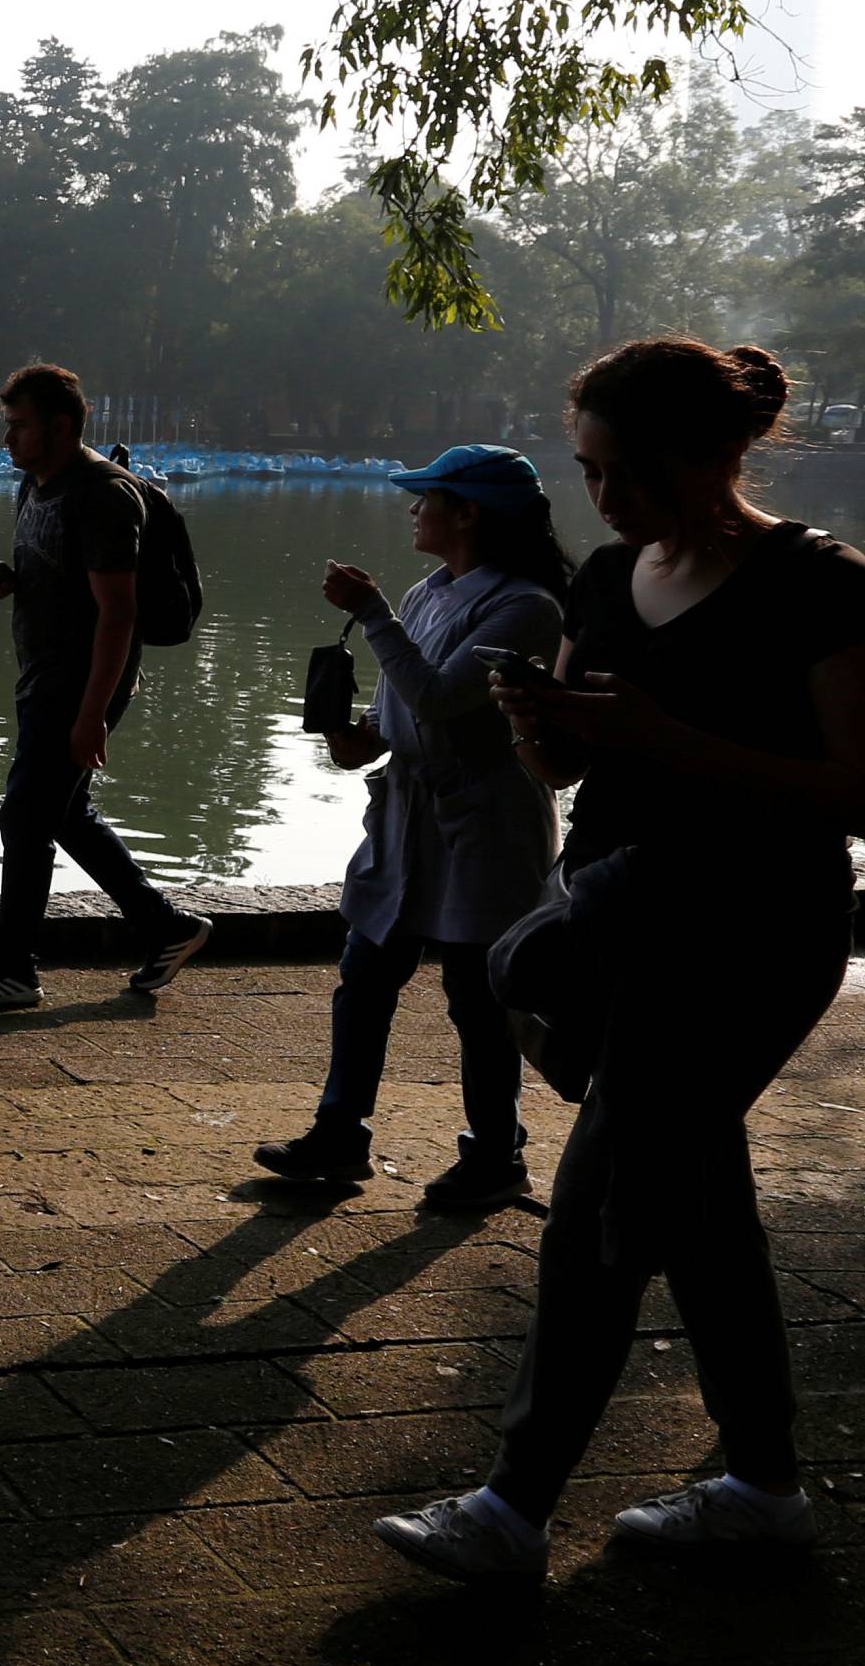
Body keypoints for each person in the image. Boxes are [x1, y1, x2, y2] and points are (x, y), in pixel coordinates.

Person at [374, 339, 865, 1582]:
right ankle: (764, 1480)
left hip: (756, 932)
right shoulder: (603, 579)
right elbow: (577, 771)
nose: (605, 500)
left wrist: (670, 736)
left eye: (626, 475)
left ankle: (512, 1509)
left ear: (711, 457)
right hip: (620, 912)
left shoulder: (818, 582)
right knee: (697, 1204)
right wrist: (547, 734)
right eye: (589, 473)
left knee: (603, 1199)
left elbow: (857, 790)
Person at [252, 445, 571, 1210]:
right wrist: (359, 731)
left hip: (483, 827)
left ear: (467, 512)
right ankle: (339, 1134)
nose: (413, 508)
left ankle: (497, 1154)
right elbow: (404, 708)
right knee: (364, 977)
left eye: (426, 496)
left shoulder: (526, 605)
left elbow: (439, 699)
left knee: (476, 998)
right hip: (407, 820)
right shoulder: (431, 591)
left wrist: (370, 615)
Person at [0, 361, 211, 1010]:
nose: (7, 439)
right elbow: (65, 576)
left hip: (81, 682)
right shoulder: (36, 485)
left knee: (24, 816)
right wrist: (14, 578)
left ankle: (12, 970)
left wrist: (91, 714)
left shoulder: (105, 496)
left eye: (19, 425)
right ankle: (165, 927)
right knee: (65, 814)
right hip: (43, 676)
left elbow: (119, 613)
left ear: (59, 426)